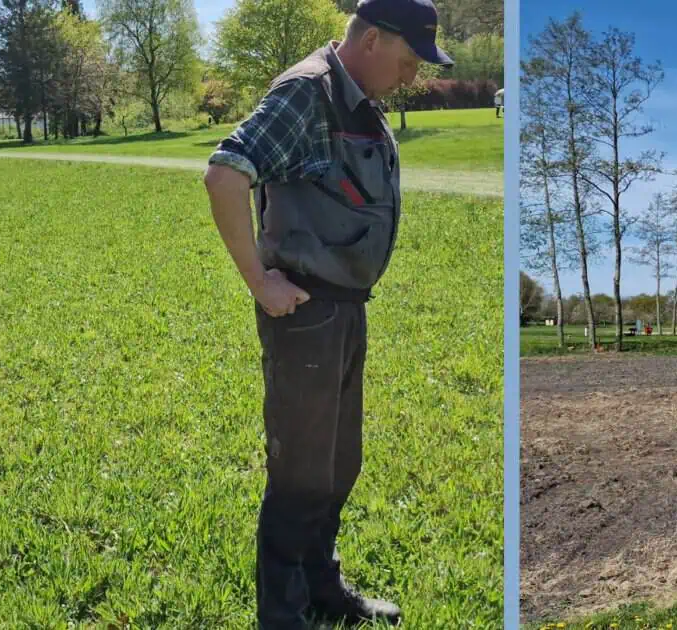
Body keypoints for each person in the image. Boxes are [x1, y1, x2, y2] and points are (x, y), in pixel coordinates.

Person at [201, 1, 452, 627]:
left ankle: (321, 588)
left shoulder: (356, 100)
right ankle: (283, 616)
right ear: (372, 40)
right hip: (307, 311)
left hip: (345, 309)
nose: (412, 76)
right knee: (299, 475)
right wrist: (260, 282)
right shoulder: (307, 93)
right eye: (407, 60)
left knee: (338, 464)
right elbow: (224, 175)